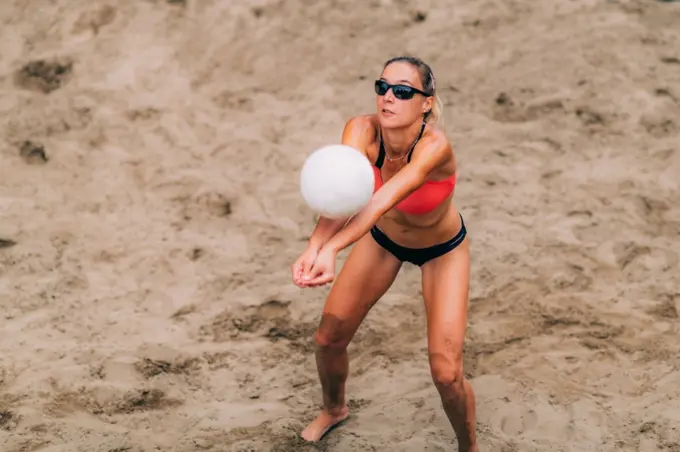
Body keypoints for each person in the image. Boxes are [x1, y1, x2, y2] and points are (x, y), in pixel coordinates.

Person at [291, 55, 478, 452]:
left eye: (403, 91)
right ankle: (334, 409)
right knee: (328, 338)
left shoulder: (434, 147)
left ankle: (469, 447)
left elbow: (379, 202)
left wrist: (333, 250)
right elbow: (342, 197)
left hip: (441, 250)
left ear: (426, 102)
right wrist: (314, 247)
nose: (388, 98)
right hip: (383, 242)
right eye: (382, 87)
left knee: (446, 373)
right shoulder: (360, 130)